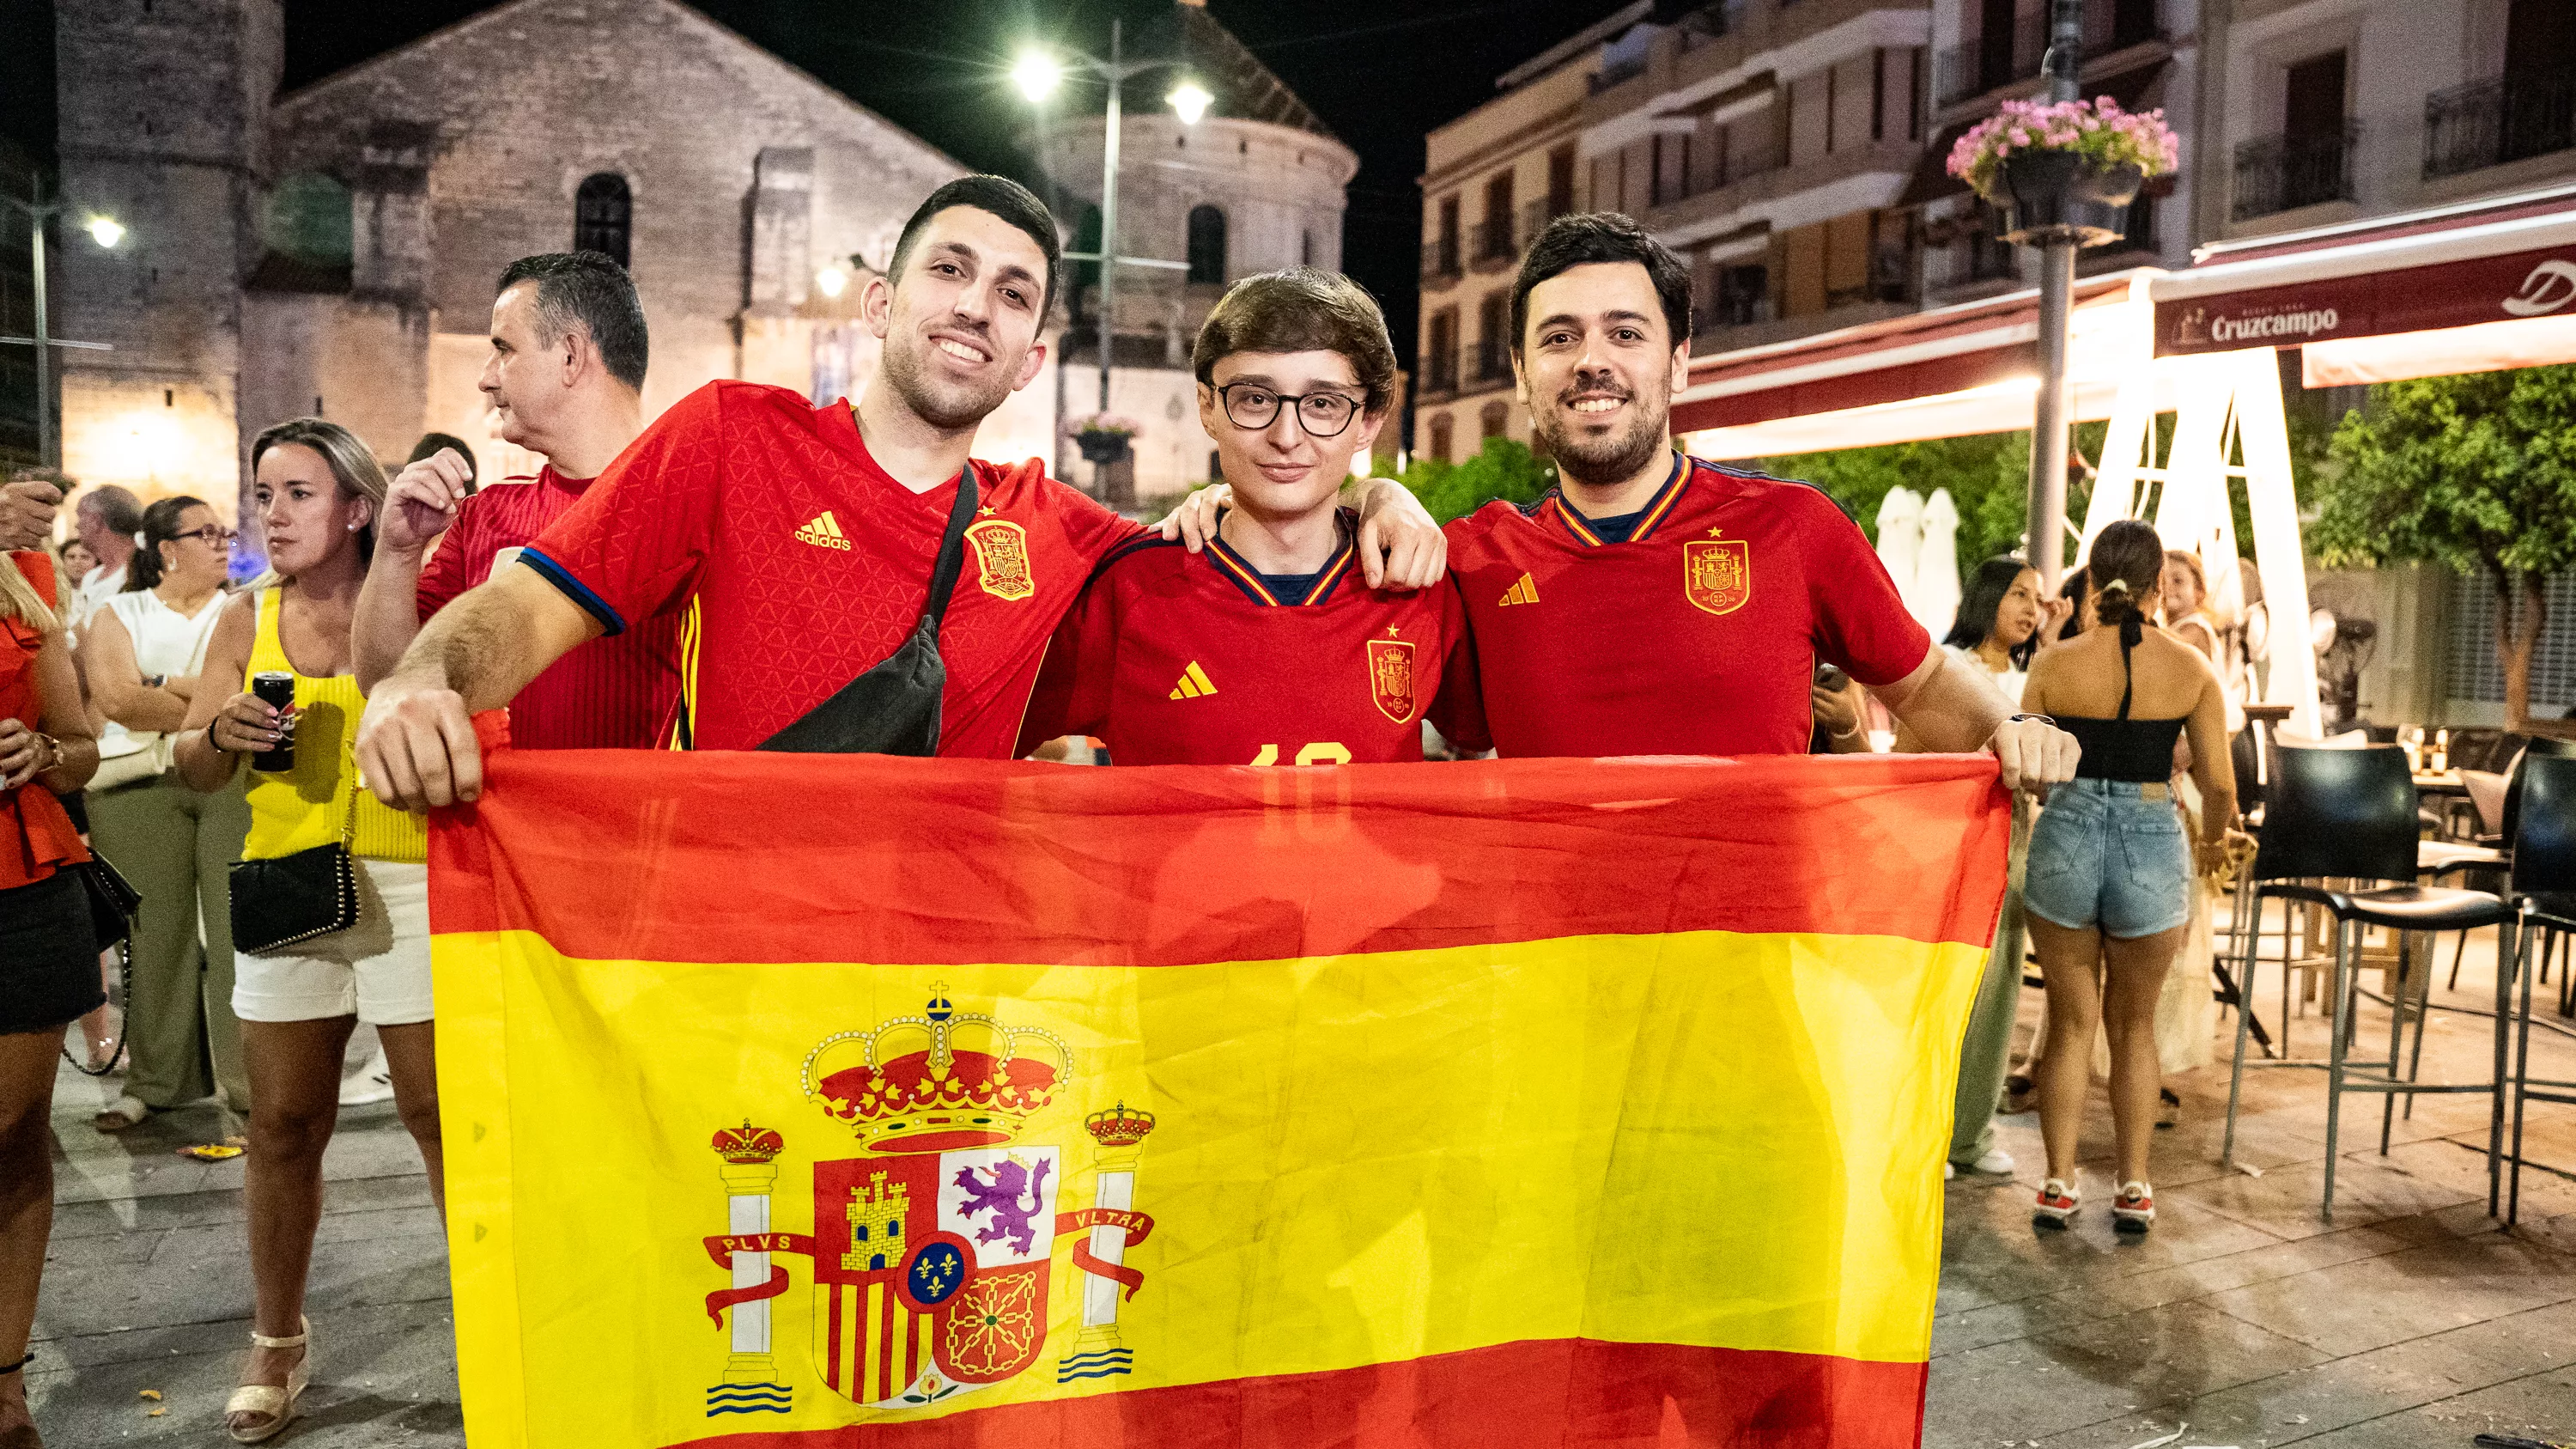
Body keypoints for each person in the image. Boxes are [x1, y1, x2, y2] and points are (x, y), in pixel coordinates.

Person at [355, 175, 1446, 807]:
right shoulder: (732, 436)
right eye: (950, 270)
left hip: (938, 977)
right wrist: (421, 677)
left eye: (1013, 293)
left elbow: (1251, 528)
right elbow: (530, 605)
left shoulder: (1059, 525)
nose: (977, 304)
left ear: (1031, 359)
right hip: (728, 955)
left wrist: (1374, 500)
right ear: (881, 303)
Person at [1437, 212, 2078, 789]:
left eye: (1626, 334)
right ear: (1521, 374)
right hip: (1558, 924)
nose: (1591, 361)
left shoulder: (1795, 527)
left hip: (1753, 923)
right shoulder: (1472, 558)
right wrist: (1378, 500)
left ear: (1679, 362)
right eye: (1558, 338)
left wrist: (2011, 724)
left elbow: (1927, 679)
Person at [169, 419, 436, 1443]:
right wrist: (218, 732)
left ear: (358, 508)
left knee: (436, 1119)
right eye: (264, 494)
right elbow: (192, 762)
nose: (272, 516)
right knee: (281, 1124)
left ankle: (491, 1324)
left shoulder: (413, 593)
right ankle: (276, 1339)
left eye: (298, 495)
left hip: (411, 876)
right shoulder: (246, 615)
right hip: (285, 881)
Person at [1020, 269, 1473, 765]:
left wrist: (1380, 492)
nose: (1287, 436)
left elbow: (1496, 741)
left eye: (1323, 404)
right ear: (1207, 406)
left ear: (1369, 422)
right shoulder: (1130, 589)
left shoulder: (1419, 585)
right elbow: (989, 742)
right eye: (1256, 399)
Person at [353, 253, 682, 746]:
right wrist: (397, 551)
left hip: (641, 819)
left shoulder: (686, 510)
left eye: (504, 349)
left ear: (571, 356)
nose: (485, 377)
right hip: (498, 821)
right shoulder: (484, 516)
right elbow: (390, 683)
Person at [2020, 519, 2237, 1234]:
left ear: (2092, 579)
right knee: (2135, 1025)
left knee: (2071, 1021)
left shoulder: (2054, 664)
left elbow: (2028, 764)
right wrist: (2211, 842)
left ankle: (2056, 1182)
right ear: (2154, 588)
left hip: (2068, 833)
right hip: (2151, 835)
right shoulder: (2192, 669)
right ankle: (2134, 1185)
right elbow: (2222, 783)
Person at [81, 496, 252, 1130]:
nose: (221, 543)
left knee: (240, 932)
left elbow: (248, 694)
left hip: (227, 777)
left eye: (224, 532)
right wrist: (203, 695)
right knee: (152, 936)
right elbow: (119, 699)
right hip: (135, 787)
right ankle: (157, 1082)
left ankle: (250, 1079)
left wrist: (164, 683)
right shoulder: (118, 611)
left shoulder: (241, 609)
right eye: (205, 533)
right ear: (167, 548)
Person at [0, 545, 103, 1449]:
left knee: (13, 1133)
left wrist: (41, 748)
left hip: (22, 891)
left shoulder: (22, 587)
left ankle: (5, 1382)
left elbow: (82, 754)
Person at [1917, 557, 2047, 1179]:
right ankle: (1928, 1133)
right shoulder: (1950, 671)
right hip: (1952, 839)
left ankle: (1971, 1132)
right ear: (1987, 596)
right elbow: (1913, 756)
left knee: (1999, 994)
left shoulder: (2037, 680)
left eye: (2039, 599)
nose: (2031, 608)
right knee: (1948, 994)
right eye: (2019, 594)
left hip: (2016, 841)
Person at [67, 484, 143, 630]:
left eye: (80, 516)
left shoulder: (139, 573)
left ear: (95, 521)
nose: (77, 525)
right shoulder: (91, 576)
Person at [2159, 549, 2220, 666]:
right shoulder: (2174, 627)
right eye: (2162, 581)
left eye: (2178, 581)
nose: (2167, 587)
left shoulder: (2195, 628)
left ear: (2199, 591)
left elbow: (2165, 649)